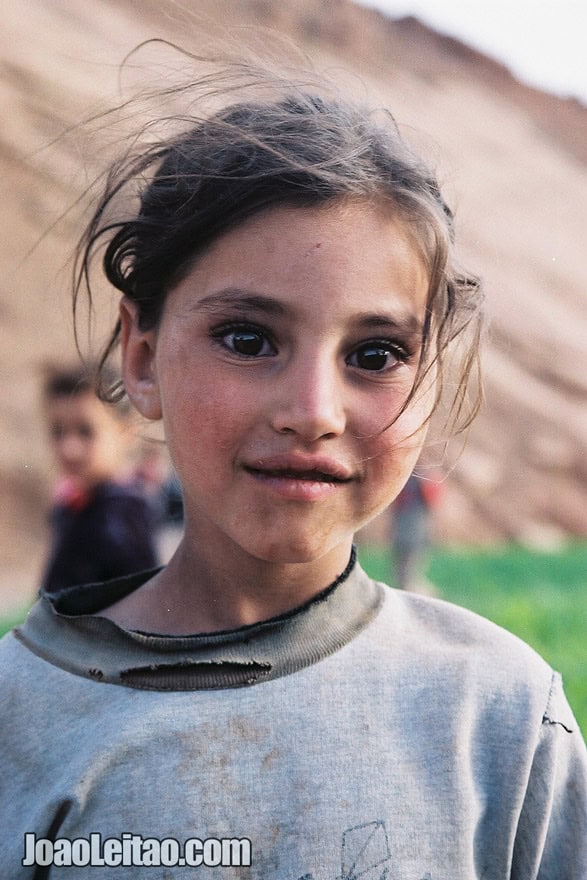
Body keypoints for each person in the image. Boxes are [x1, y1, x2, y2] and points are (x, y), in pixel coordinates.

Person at [1, 53, 585, 878]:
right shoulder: (23, 719)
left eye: (375, 353)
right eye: (247, 339)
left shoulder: (497, 720)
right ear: (140, 356)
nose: (313, 409)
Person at [40, 365, 159, 593]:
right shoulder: (81, 502)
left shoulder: (121, 516)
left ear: (126, 432)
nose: (68, 448)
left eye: (86, 431)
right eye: (57, 431)